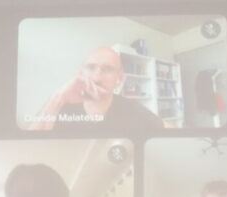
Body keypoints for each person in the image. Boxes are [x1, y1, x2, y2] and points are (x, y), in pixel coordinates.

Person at [29, 46, 165, 132]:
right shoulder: (58, 104)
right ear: (81, 74)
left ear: (119, 79)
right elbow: (30, 145)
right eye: (90, 67)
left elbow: (166, 128)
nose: (96, 78)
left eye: (107, 69)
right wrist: (59, 98)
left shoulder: (133, 110)